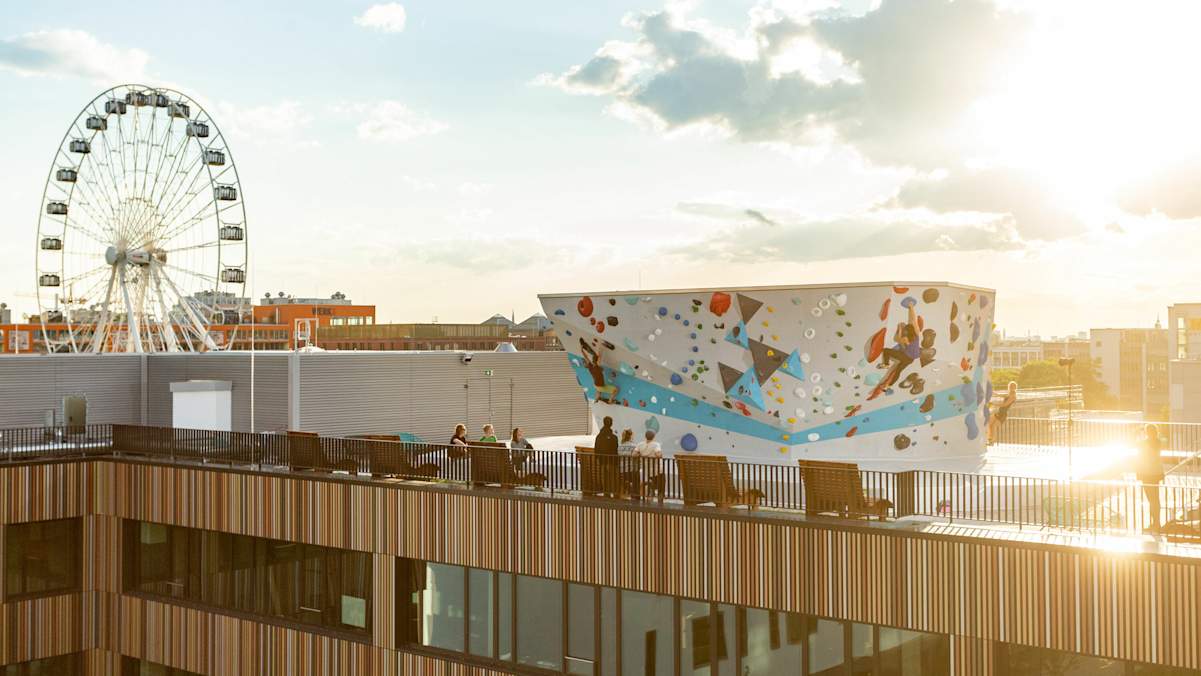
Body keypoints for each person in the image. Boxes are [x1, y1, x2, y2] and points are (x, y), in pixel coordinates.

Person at [1137, 423, 1165, 533]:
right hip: (1155, 473)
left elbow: (1141, 458)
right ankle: (1156, 523)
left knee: (1151, 500)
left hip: (1147, 474)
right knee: (1155, 499)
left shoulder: (1145, 443)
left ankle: (1155, 524)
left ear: (1146, 432)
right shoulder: (1157, 442)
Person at [582, 339, 619, 404]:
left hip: (597, 386)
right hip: (599, 386)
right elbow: (597, 356)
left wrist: (582, 350)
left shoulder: (590, 367)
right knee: (616, 389)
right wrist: (601, 345)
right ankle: (610, 400)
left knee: (599, 390)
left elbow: (587, 358)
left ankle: (597, 398)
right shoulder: (595, 366)